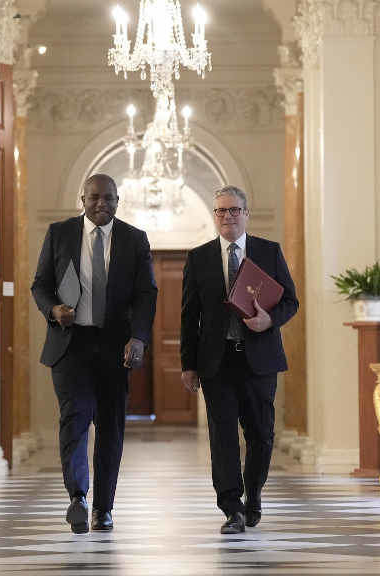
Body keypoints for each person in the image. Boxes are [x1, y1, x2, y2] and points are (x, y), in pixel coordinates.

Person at [31, 173, 158, 534]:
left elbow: (146, 294)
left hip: (115, 348)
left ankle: (103, 508)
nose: (101, 203)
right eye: (94, 197)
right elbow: (40, 285)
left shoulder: (134, 239)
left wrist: (138, 338)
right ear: (82, 199)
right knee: (74, 421)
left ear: (118, 201)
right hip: (71, 345)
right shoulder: (60, 234)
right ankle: (78, 497)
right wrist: (54, 310)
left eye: (108, 198)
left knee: (110, 428)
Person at [180, 185, 298, 534]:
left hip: (259, 360)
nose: (228, 216)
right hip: (216, 363)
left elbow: (290, 302)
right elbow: (189, 316)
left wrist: (269, 321)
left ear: (247, 214)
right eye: (221, 211)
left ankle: (255, 496)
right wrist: (188, 364)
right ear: (214, 216)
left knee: (261, 434)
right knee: (223, 437)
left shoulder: (269, 252)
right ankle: (232, 507)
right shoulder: (199, 258)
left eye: (234, 210)